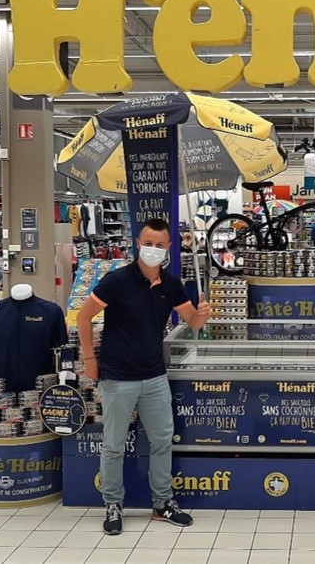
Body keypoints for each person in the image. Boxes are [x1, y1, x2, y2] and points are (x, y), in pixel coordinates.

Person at [77, 218, 211, 536]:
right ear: (138, 244)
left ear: (168, 249)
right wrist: (88, 358)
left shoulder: (171, 284)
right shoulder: (117, 280)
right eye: (147, 243)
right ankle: (112, 504)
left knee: (163, 441)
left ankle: (162, 503)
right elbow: (84, 316)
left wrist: (201, 315)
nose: (153, 249)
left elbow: (192, 322)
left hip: (154, 376)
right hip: (118, 376)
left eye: (159, 245)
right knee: (113, 444)